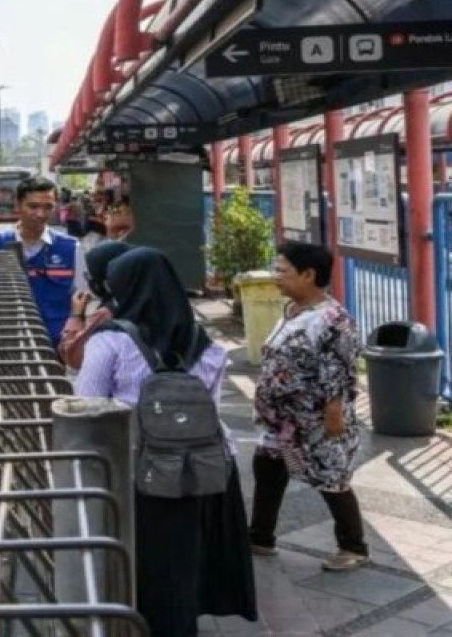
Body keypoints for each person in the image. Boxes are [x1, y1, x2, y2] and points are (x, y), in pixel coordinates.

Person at [75, 247, 258, 636]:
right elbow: (208, 405)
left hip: (141, 468)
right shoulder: (206, 344)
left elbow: (86, 407)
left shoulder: (111, 342)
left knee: (149, 558)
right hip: (206, 466)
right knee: (189, 554)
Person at [249, 241, 369, 571]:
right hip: (282, 422)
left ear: (308, 275)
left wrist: (332, 416)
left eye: (283, 271)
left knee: (331, 477)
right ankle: (260, 537)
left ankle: (353, 546)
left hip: (315, 419)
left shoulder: (332, 319)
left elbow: (338, 371)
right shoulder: (293, 312)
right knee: (268, 469)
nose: (277, 277)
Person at [0, 176, 87, 346]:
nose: (40, 214)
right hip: (7, 343)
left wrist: (75, 321)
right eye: (33, 206)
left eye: (48, 207)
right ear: (17, 205)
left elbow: (81, 293)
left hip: (56, 343)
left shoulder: (70, 247)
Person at [57, 240, 132, 370]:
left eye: (90, 274)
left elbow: (72, 355)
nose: (89, 280)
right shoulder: (158, 298)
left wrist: (76, 315)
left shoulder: (108, 312)